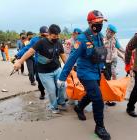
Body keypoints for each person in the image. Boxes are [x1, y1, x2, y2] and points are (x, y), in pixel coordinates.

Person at [58, 10, 111, 140]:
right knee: (98, 98)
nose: (100, 24)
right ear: (90, 23)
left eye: (102, 22)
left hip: (96, 71)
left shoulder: (99, 36)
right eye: (97, 22)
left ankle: (79, 107)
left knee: (91, 94)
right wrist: (62, 77)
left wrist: (104, 68)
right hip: (85, 73)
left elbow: (99, 53)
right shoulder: (81, 39)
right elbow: (71, 59)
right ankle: (100, 127)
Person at [14, 24, 67, 114]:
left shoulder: (58, 42)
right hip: (44, 72)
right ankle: (53, 107)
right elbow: (29, 51)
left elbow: (63, 55)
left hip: (57, 69)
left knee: (63, 86)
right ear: (49, 34)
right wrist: (19, 61)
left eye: (58, 36)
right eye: (54, 36)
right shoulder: (41, 42)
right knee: (52, 90)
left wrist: (69, 68)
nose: (56, 38)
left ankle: (61, 101)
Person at [15, 26, 49, 99]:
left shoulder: (51, 39)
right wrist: (18, 55)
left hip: (49, 64)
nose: (45, 37)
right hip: (38, 63)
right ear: (40, 34)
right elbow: (27, 48)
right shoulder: (35, 40)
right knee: (38, 79)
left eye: (47, 35)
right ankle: (42, 92)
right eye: (43, 35)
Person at [103, 24, 125, 106]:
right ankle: (106, 97)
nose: (111, 34)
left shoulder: (114, 39)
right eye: (110, 31)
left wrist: (125, 54)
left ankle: (110, 97)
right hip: (103, 63)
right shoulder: (102, 39)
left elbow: (119, 48)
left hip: (112, 62)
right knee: (106, 79)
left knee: (113, 76)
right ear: (107, 30)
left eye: (113, 33)